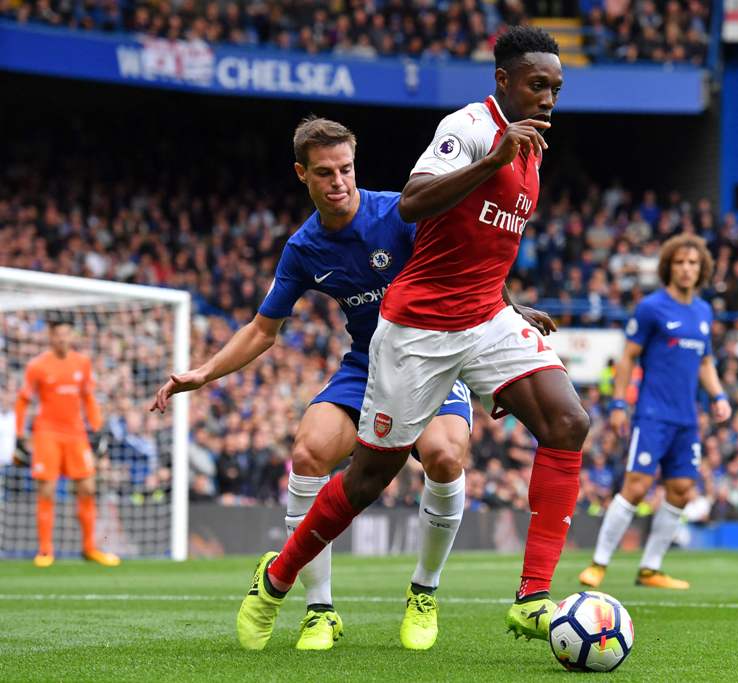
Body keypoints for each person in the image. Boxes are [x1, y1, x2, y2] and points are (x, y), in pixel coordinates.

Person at [236, 25, 587, 648]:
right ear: (502, 81)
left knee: (568, 422)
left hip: (484, 317)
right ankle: (278, 580)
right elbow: (414, 203)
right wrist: (492, 160)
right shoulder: (471, 130)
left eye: (556, 88)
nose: (549, 98)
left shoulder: (531, 145)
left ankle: (532, 597)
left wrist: (513, 309)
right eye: (538, 85)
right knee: (370, 479)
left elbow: (484, 244)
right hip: (418, 330)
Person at [151, 117, 475, 651]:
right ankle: (320, 610)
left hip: (431, 363)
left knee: (443, 456)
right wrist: (203, 373)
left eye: (346, 168)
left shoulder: (400, 211)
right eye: (324, 172)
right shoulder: (303, 249)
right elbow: (263, 329)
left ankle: (424, 591)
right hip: (365, 368)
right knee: (307, 453)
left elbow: (466, 270)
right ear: (302, 174)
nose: (338, 181)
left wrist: (503, 331)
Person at [578, 235, 731, 590]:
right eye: (680, 262)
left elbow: (705, 361)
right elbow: (629, 357)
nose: (687, 268)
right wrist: (619, 403)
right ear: (668, 267)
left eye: (693, 263)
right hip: (652, 414)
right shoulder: (652, 307)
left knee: (681, 489)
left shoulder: (703, 311)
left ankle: (650, 568)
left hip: (687, 418)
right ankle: (598, 564)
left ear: (702, 268)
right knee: (637, 485)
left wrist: (719, 396)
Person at [15, 319, 120, 568]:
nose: (62, 339)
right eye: (57, 335)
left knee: (87, 487)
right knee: (47, 490)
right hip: (47, 434)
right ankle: (45, 550)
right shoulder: (37, 366)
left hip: (76, 434)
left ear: (71, 335)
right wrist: (19, 435)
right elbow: (22, 401)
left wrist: (98, 428)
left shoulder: (81, 363)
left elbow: (89, 398)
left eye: (66, 334)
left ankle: (89, 548)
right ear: (50, 336)